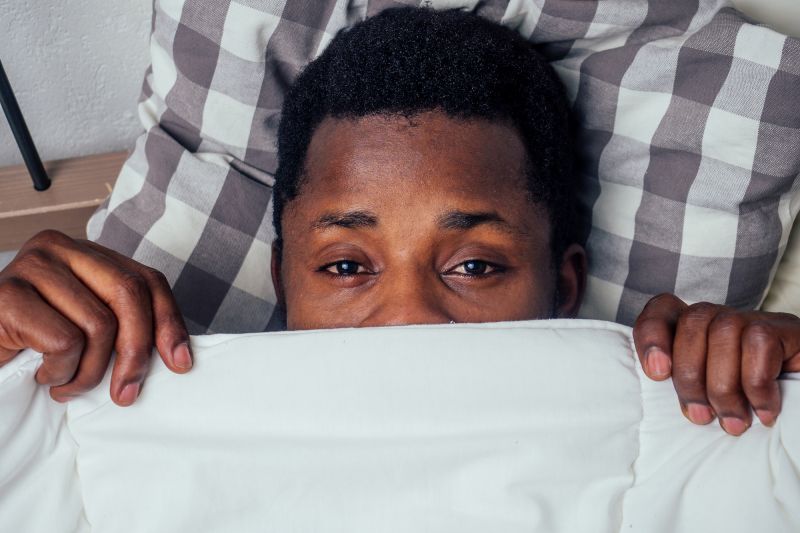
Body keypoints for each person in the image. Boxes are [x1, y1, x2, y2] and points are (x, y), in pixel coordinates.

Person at [0, 7, 797, 436]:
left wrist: (777, 383)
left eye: (474, 265)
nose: (409, 322)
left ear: (562, 283)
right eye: (347, 266)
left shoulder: (670, 426)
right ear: (284, 281)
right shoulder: (142, 418)